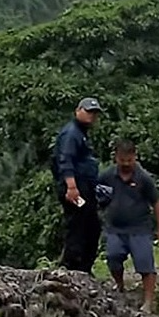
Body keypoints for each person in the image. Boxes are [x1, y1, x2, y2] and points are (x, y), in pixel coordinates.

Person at [98, 140, 159, 314]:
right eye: (123, 160)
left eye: (129, 160)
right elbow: (99, 197)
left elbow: (156, 202)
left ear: (135, 158)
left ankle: (148, 301)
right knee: (113, 257)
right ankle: (119, 285)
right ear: (116, 158)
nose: (126, 164)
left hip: (139, 228)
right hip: (115, 227)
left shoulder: (143, 178)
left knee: (145, 265)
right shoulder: (107, 176)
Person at [52, 97, 102, 272]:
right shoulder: (71, 133)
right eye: (88, 112)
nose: (92, 116)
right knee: (78, 225)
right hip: (75, 188)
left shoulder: (81, 133)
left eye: (95, 113)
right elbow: (65, 160)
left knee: (91, 225)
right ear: (78, 110)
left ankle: (84, 267)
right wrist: (71, 187)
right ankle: (71, 265)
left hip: (85, 188)